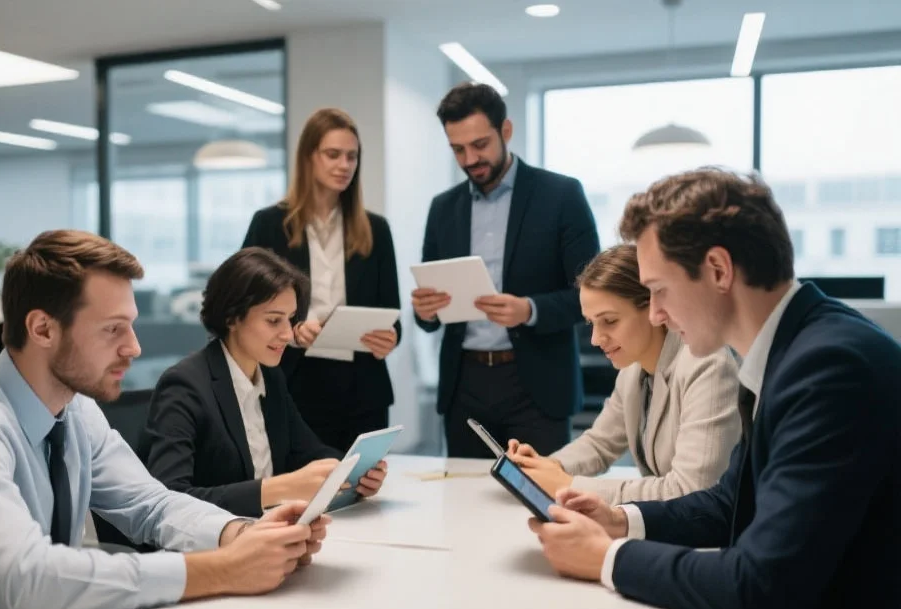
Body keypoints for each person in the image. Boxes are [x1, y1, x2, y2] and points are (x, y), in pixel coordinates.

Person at [0, 231, 328, 609]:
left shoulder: (75, 410)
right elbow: (28, 579)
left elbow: (150, 504)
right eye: (113, 329)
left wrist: (239, 534)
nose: (134, 347)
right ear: (43, 328)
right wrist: (222, 570)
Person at [528, 170, 901, 609]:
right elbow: (729, 500)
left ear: (718, 270)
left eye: (658, 289)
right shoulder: (794, 349)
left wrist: (607, 558)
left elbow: (763, 588)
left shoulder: (828, 369)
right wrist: (621, 520)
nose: (656, 313)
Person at [411, 82, 600, 458]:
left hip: (536, 385)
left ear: (506, 131)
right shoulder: (443, 209)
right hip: (464, 385)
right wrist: (425, 312)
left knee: (543, 502)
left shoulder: (561, 196)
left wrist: (529, 310)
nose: (469, 159)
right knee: (463, 503)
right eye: (458, 149)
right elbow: (429, 314)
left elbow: (592, 295)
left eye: (480, 145)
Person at [141, 247, 387, 519]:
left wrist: (354, 473)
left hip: (268, 531)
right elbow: (169, 499)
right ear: (231, 317)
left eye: (291, 319)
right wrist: (276, 489)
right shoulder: (184, 385)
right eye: (273, 320)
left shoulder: (270, 375)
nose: (286, 333)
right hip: (213, 548)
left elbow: (307, 451)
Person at [507, 244, 740, 503]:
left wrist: (570, 485)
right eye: (591, 323)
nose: (595, 339)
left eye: (609, 321)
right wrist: (547, 467)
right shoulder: (633, 368)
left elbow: (691, 490)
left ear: (654, 307)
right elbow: (599, 444)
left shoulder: (707, 365)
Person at [242, 108, 401, 453]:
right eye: (333, 155)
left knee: (364, 494)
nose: (344, 165)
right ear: (309, 157)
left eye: (352, 156)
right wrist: (294, 329)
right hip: (296, 382)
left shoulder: (376, 230)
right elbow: (245, 308)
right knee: (303, 495)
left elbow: (392, 316)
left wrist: (389, 339)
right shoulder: (269, 225)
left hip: (363, 390)